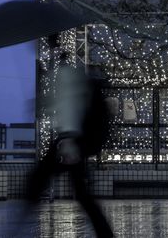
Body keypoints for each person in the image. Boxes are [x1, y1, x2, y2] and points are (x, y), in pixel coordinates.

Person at [27, 65, 114, 238]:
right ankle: (105, 233)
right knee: (82, 193)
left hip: (70, 141)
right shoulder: (90, 92)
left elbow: (68, 109)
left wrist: (69, 140)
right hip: (75, 142)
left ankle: (26, 205)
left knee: (41, 178)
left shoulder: (69, 77)